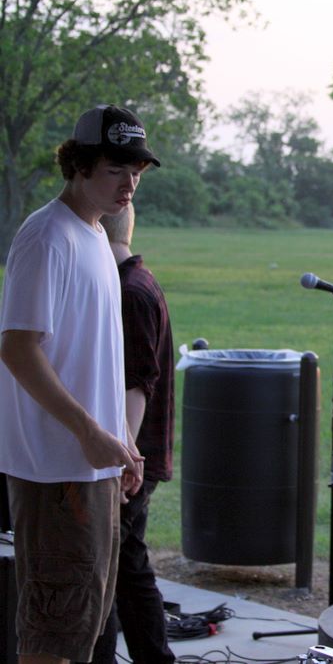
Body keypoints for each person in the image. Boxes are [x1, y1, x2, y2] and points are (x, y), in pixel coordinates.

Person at [0, 104, 156, 664]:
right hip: (55, 473)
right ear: (79, 165)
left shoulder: (94, 237)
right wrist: (89, 432)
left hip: (94, 467)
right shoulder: (46, 237)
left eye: (136, 171)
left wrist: (122, 441)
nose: (129, 185)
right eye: (116, 170)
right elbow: (17, 349)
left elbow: (94, 359)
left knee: (81, 630)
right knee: (52, 635)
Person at [84, 203, 176, 664]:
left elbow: (136, 383)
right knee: (123, 568)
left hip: (131, 458)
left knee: (110, 571)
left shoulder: (131, 292)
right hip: (131, 455)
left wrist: (122, 460)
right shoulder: (129, 284)